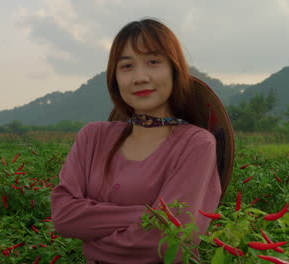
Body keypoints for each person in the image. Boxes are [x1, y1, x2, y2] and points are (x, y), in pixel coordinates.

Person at [51, 18, 234, 264]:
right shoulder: (92, 137)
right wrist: (147, 215)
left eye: (153, 62)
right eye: (126, 66)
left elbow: (171, 241)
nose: (140, 77)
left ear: (174, 69)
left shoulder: (196, 144)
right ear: (114, 78)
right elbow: (63, 216)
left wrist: (91, 246)